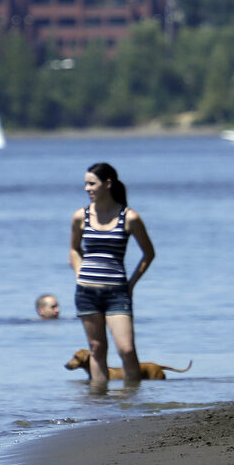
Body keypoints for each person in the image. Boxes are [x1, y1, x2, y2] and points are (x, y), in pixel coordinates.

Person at [69, 163, 156, 388]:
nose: (87, 188)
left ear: (108, 184)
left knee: (126, 349)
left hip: (117, 293)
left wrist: (132, 284)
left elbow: (149, 253)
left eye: (92, 184)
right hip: (86, 292)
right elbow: (74, 249)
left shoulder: (130, 217)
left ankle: (132, 400)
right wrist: (80, 274)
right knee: (97, 349)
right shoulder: (81, 216)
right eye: (86, 184)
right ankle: (100, 401)